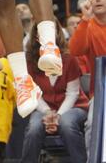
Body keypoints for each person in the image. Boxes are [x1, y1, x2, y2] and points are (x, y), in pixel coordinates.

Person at [21, 20, 88, 163]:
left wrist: (58, 115)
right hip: (43, 109)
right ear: (37, 36)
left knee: (66, 123)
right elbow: (34, 93)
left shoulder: (69, 59)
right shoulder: (30, 61)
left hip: (75, 107)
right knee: (34, 128)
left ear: (57, 34)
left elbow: (72, 94)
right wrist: (47, 112)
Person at [69, 0, 106, 152]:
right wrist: (84, 18)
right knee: (92, 125)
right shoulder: (87, 25)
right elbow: (75, 50)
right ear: (88, 2)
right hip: (100, 92)